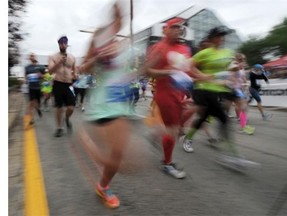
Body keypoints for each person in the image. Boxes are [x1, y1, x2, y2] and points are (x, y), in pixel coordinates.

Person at [78, 1, 135, 208]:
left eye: (125, 15)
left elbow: (125, 72)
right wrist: (98, 57)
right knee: (118, 157)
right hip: (102, 102)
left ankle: (102, 185)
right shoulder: (98, 37)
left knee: (118, 155)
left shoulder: (123, 43)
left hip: (120, 101)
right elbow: (82, 69)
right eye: (119, 14)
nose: (122, 18)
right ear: (113, 15)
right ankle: (89, 147)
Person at [144, 17, 211, 179]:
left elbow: (189, 71)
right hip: (165, 94)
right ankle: (167, 163)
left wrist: (204, 78)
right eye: (174, 27)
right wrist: (169, 72)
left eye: (180, 27)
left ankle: (158, 134)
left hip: (181, 94)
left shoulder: (184, 49)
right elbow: (148, 71)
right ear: (165, 30)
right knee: (173, 130)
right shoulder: (158, 47)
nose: (178, 29)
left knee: (179, 128)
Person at [180, 26, 243, 163]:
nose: (220, 39)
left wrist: (234, 69)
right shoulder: (204, 53)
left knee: (204, 118)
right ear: (212, 39)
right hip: (203, 90)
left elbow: (232, 67)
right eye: (217, 37)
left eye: (222, 37)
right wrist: (201, 75)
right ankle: (233, 155)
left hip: (218, 90)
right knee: (224, 119)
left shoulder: (228, 52)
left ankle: (188, 138)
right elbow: (189, 66)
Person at [48, 35, 77, 137]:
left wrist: (75, 75)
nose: (63, 45)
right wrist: (59, 62)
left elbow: (74, 70)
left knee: (71, 107)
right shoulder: (53, 57)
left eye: (65, 43)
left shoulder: (72, 57)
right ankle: (59, 128)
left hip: (69, 84)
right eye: (61, 43)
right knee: (59, 108)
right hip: (58, 83)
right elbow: (50, 71)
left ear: (67, 44)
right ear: (59, 44)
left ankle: (67, 118)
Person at [24, 53, 45, 125]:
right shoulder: (27, 67)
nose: (32, 57)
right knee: (31, 103)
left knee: (37, 103)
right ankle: (32, 119)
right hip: (31, 88)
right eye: (31, 56)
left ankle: (38, 109)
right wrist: (25, 80)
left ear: (36, 57)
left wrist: (41, 75)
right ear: (29, 58)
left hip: (38, 88)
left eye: (33, 56)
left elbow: (45, 77)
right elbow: (26, 76)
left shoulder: (40, 67)